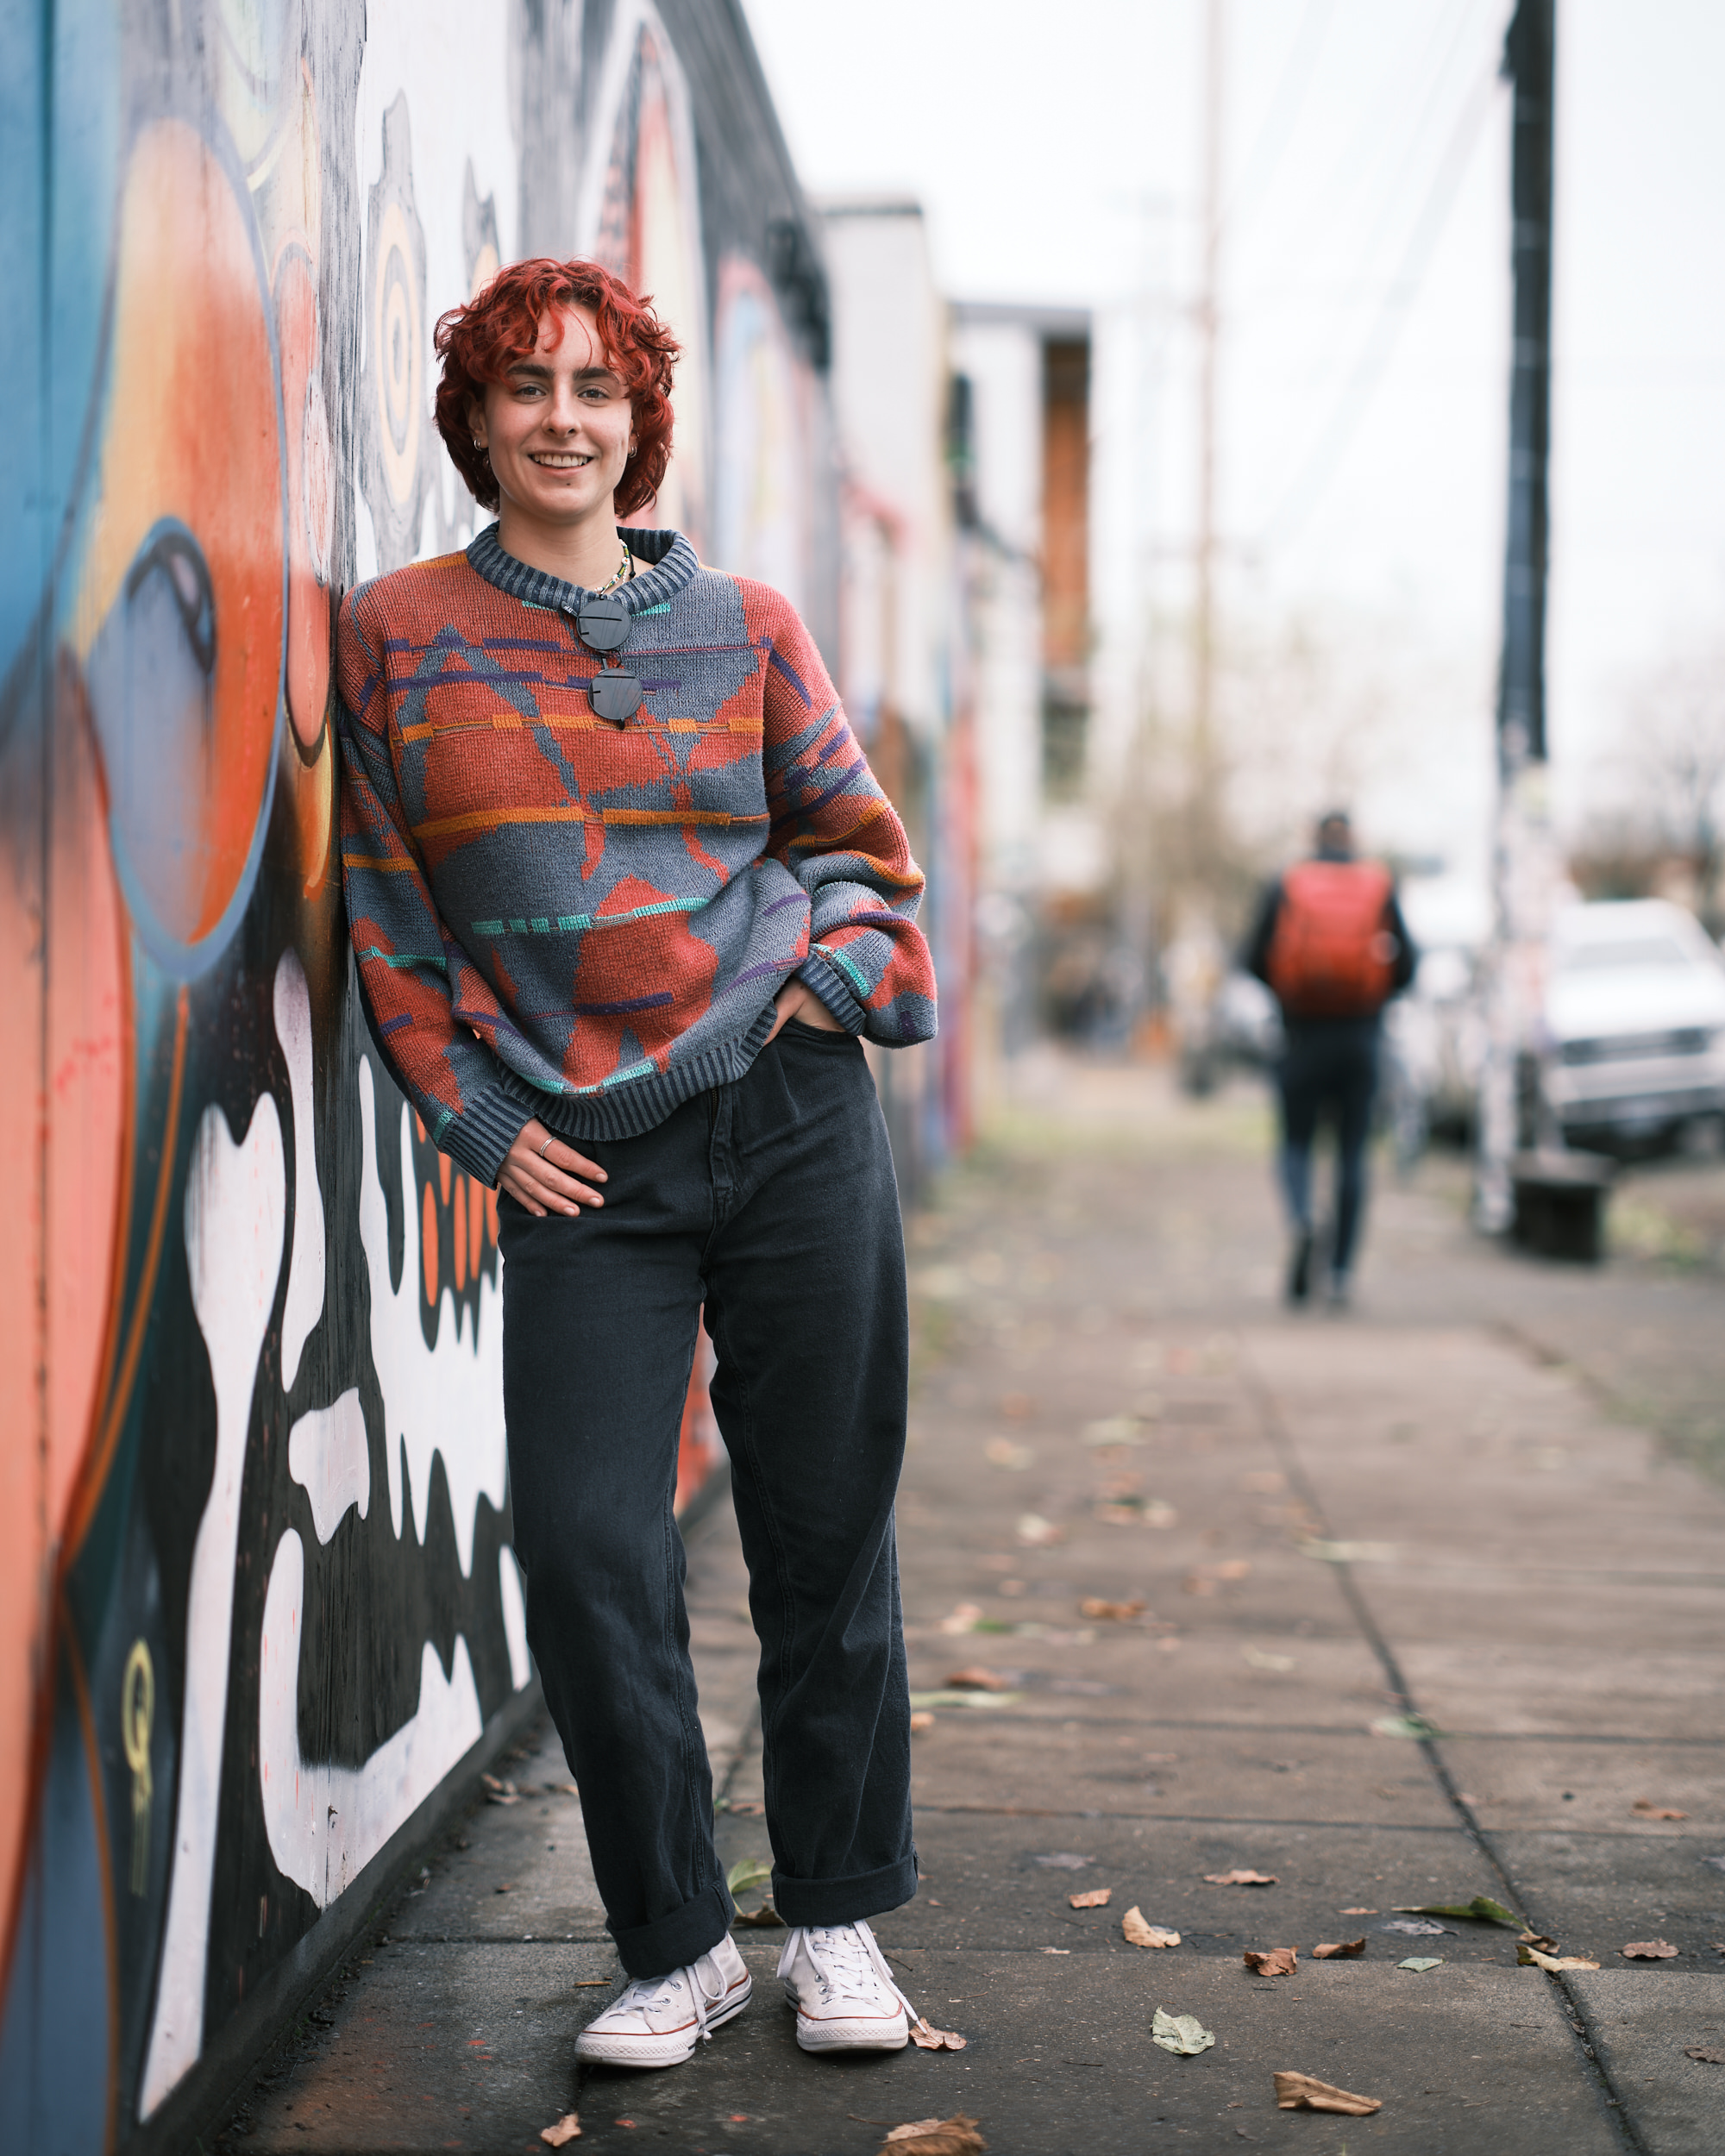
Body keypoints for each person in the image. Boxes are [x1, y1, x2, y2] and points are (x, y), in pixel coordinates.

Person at [337, 259, 937, 2071]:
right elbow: (383, 915)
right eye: (524, 386)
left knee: (822, 1534)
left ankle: (833, 1921)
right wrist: (478, 1119)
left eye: (596, 386)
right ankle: (677, 1941)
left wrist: (828, 990)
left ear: (637, 418)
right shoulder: (393, 634)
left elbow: (863, 849)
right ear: (476, 419)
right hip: (582, 1165)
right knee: (594, 1540)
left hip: (788, 1117)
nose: (563, 417)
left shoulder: (745, 622)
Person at [1243, 812, 1415, 1307]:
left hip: (1300, 1035)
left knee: (1295, 1143)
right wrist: (1373, 1000)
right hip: (1361, 1036)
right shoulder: (1379, 884)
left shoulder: (1287, 883)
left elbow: (1253, 958)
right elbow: (1409, 965)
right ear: (1353, 839)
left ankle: (1301, 1219)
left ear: (1313, 839)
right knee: (1352, 1152)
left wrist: (1290, 996)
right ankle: (1339, 1273)